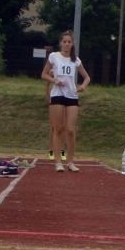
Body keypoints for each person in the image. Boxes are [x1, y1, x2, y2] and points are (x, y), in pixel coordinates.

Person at [41, 30, 90, 172]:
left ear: (72, 44)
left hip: (72, 96)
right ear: (60, 43)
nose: (67, 44)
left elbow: (87, 77)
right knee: (58, 129)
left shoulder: (76, 60)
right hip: (57, 95)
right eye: (64, 42)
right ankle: (58, 162)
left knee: (70, 129)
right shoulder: (54, 56)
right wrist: (54, 80)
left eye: (69, 42)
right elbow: (43, 74)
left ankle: (70, 161)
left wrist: (83, 86)